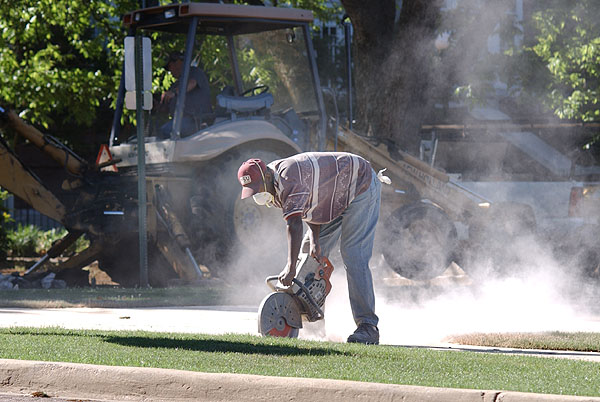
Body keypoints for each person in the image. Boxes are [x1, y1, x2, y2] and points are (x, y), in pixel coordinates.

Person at [237, 152, 386, 344]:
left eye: (257, 188)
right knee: (310, 252)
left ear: (266, 175)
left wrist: (290, 267)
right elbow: (312, 206)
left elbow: (295, 224)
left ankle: (368, 326)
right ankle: (313, 324)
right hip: (336, 194)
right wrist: (315, 239)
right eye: (252, 191)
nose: (256, 194)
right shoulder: (271, 186)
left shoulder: (287, 177)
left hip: (360, 185)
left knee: (353, 254)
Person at [159, 52, 212, 138]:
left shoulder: (194, 72)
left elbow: (192, 83)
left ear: (178, 62)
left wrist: (174, 93)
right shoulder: (176, 84)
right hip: (182, 122)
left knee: (164, 131)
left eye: (170, 67)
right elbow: (166, 108)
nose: (170, 71)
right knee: (158, 130)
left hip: (196, 121)